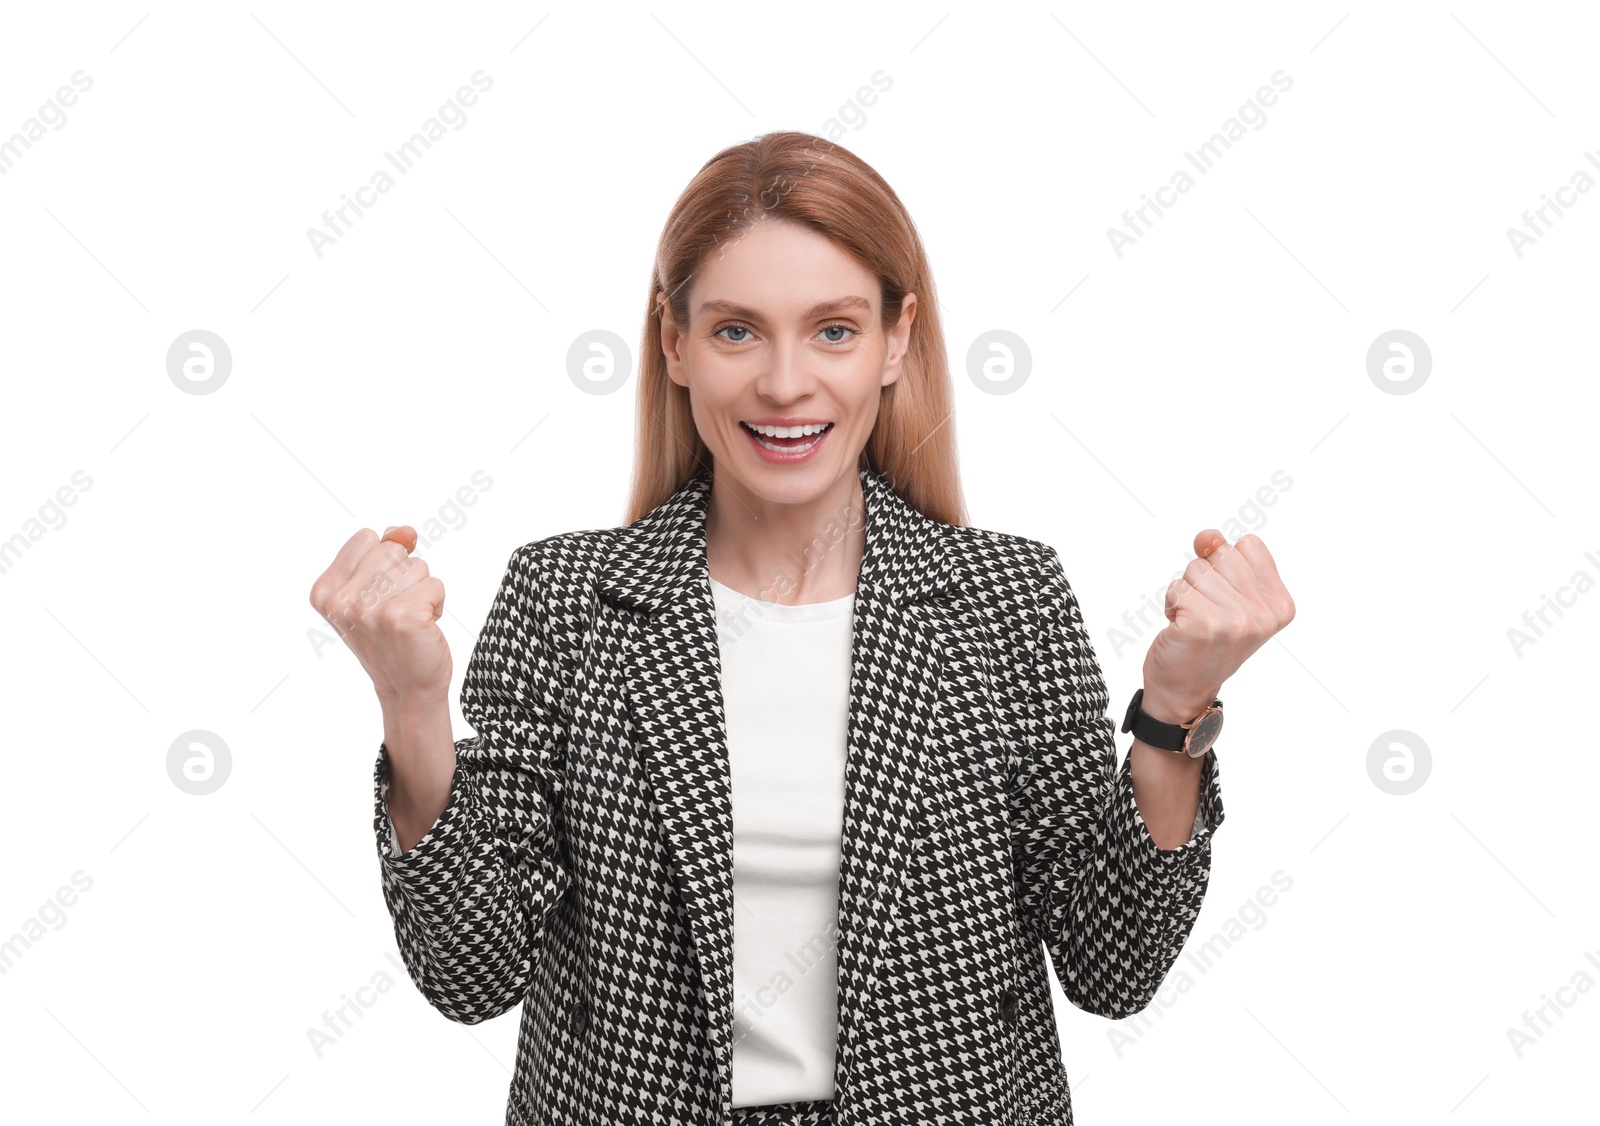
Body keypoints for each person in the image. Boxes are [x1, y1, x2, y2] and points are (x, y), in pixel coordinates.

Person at [309, 130, 1295, 1126]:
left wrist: (1171, 716)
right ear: (674, 342)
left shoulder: (1006, 599)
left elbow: (1110, 966)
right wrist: (411, 705)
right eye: (737, 330)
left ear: (895, 340)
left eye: (833, 330)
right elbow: (469, 975)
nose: (785, 384)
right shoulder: (566, 601)